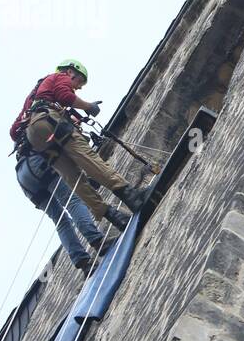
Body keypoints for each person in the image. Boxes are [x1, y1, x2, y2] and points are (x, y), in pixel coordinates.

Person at [9, 59, 152, 226]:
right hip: (48, 120)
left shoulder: (33, 96)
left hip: (36, 139)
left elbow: (13, 131)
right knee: (87, 157)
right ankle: (130, 196)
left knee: (73, 177)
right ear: (71, 72)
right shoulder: (58, 77)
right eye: (79, 82)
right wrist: (88, 106)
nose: (78, 87)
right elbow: (65, 95)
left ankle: (113, 216)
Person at [15, 153, 124, 272]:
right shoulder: (31, 138)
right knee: (72, 202)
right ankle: (97, 241)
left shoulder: (22, 146)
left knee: (60, 221)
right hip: (36, 162)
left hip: (23, 179)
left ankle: (83, 263)